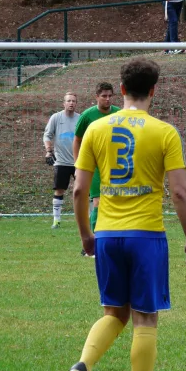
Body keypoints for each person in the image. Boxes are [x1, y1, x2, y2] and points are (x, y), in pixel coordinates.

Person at [68, 57, 186, 371]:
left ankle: (83, 363)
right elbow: (180, 193)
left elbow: (80, 189)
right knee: (145, 318)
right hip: (147, 237)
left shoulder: (96, 128)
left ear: (122, 89)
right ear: (153, 91)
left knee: (114, 313)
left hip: (108, 235)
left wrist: (87, 234)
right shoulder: (165, 132)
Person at [73, 82, 120, 254]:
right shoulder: (87, 116)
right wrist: (78, 165)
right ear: (96, 97)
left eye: (110, 96)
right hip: (94, 167)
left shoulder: (119, 114)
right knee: (98, 202)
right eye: (104, 96)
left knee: (114, 203)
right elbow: (77, 140)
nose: (107, 99)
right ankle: (93, 243)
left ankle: (112, 240)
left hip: (114, 166)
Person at [43, 92, 80, 229]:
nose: (71, 103)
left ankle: (85, 220)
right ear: (63, 103)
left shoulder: (80, 119)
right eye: (68, 100)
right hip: (61, 162)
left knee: (83, 192)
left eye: (73, 101)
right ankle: (56, 221)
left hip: (79, 163)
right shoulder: (56, 118)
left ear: (76, 103)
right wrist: (48, 151)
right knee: (59, 190)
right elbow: (47, 135)